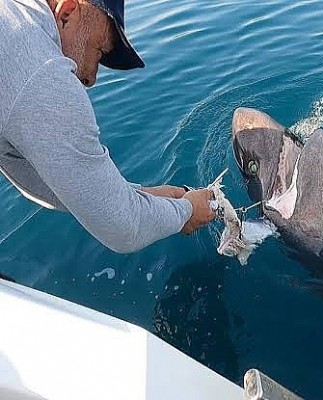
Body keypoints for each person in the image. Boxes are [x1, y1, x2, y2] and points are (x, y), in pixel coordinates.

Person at [0, 0, 216, 253]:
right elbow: (124, 230)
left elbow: (53, 185)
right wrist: (188, 211)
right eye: (98, 51)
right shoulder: (41, 73)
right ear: (67, 13)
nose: (90, 78)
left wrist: (141, 196)